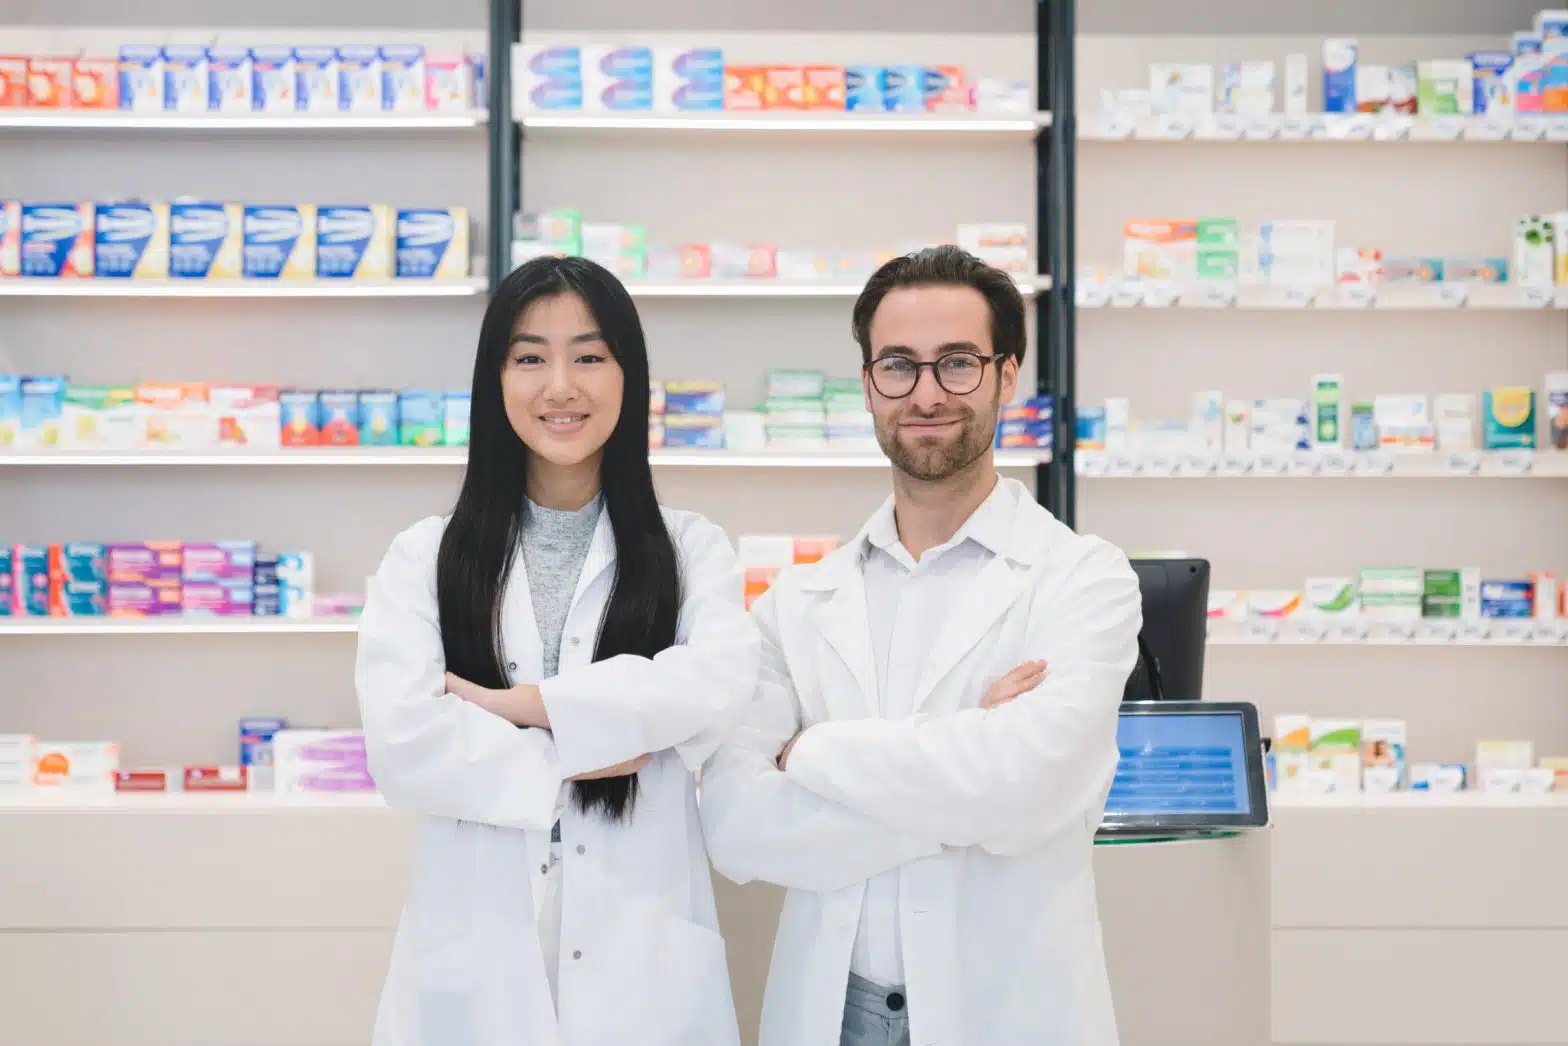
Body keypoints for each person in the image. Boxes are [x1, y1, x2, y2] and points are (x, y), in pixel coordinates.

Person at [700, 246, 1144, 1046]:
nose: (928, 393)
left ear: (1008, 376)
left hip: (1004, 1008)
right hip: (834, 1012)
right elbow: (735, 823)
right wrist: (969, 778)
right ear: (869, 383)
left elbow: (1022, 785)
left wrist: (807, 754)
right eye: (899, 365)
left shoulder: (1083, 579)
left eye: (959, 364)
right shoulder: (796, 603)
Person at [356, 256, 760, 1046]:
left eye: (589, 355)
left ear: (627, 375)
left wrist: (521, 710)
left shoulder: (690, 550)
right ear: (495, 378)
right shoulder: (426, 557)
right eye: (530, 357)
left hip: (643, 976)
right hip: (472, 975)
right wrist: (597, 738)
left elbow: (711, 689)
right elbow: (403, 746)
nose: (560, 386)